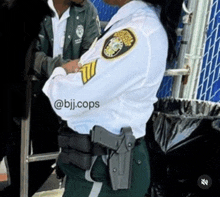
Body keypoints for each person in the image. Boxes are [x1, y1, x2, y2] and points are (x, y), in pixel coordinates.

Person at [42, 0, 184, 196]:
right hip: (101, 164)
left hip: (103, 171)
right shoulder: (135, 24)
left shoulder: (135, 33)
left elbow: (68, 101)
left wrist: (59, 73)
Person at [0, 0, 100, 196]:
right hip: (18, 93)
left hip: (53, 102)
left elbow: (90, 59)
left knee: (44, 157)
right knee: (11, 145)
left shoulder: (87, 11)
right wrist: (60, 68)